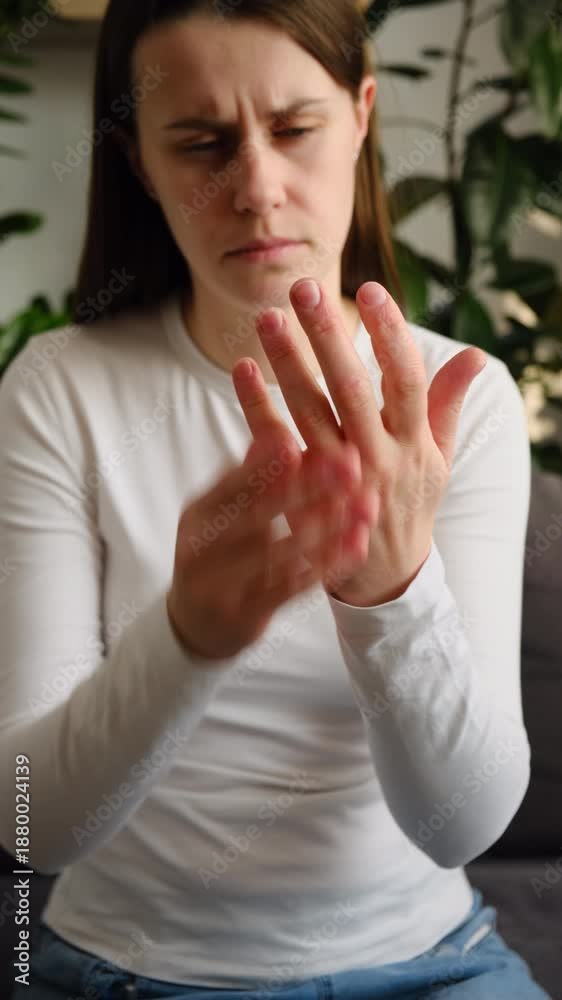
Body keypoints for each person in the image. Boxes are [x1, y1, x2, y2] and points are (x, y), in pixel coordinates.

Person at [0, 0, 552, 997]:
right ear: (139, 163)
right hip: (125, 971)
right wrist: (188, 636)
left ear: (362, 115)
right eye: (200, 143)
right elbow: (32, 822)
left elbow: (463, 825)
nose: (256, 189)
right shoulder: (58, 390)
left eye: (294, 128)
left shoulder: (458, 403)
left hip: (432, 966)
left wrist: (392, 595)